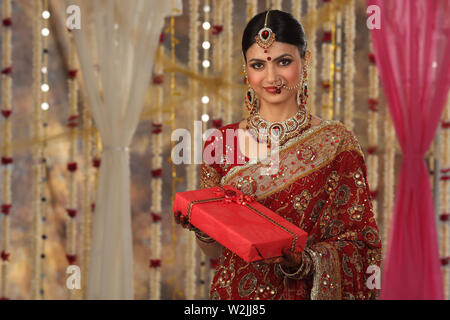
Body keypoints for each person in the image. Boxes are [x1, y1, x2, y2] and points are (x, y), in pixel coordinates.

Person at [174, 9, 382, 300]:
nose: (271, 77)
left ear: (305, 61)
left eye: (284, 62)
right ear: (246, 70)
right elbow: (217, 252)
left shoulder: (336, 142)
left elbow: (360, 243)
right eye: (258, 65)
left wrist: (306, 261)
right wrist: (203, 229)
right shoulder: (220, 143)